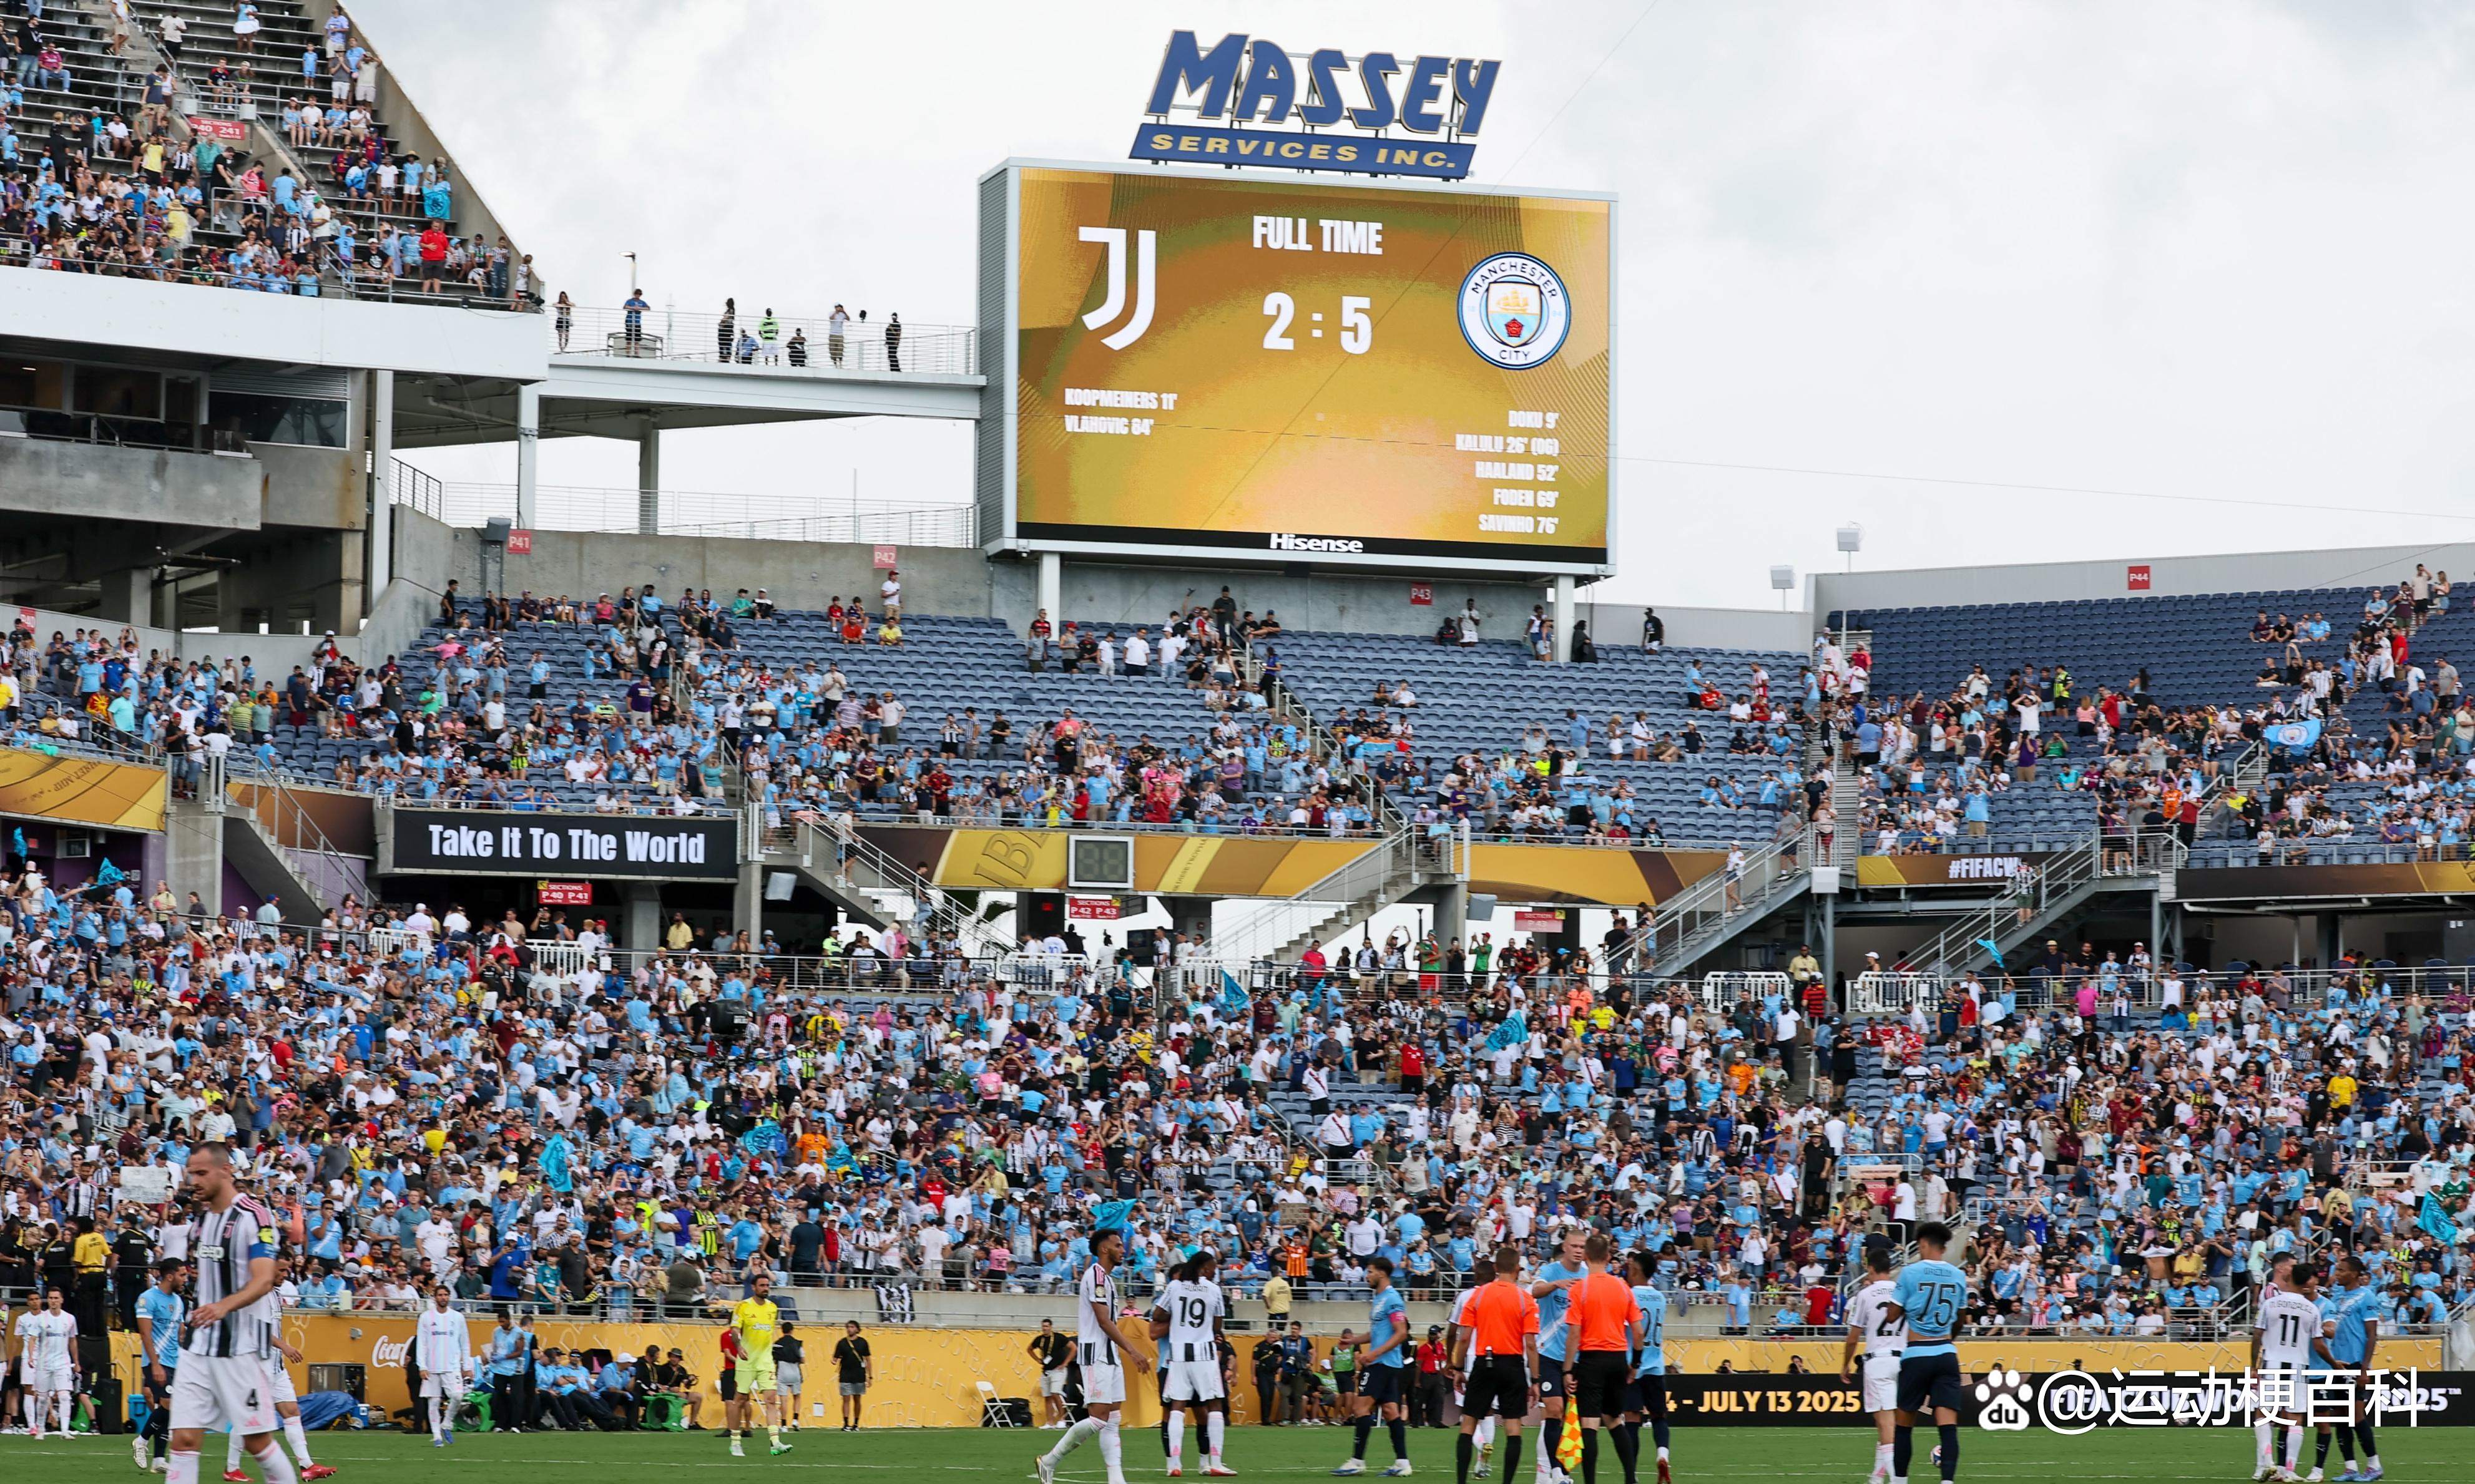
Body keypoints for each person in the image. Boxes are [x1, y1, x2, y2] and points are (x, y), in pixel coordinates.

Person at [167, 1145, 291, 1484]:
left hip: (239, 1349)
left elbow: (265, 1279)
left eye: (202, 1173)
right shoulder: (201, 1221)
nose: (194, 1180)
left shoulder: (255, 1216)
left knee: (257, 1442)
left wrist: (223, 1306)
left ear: (226, 1171)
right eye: (191, 1173)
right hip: (196, 1349)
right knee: (184, 1440)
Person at [1037, 1217, 1152, 1484]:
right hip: (1096, 1355)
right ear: (1104, 1249)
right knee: (1099, 1419)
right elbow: (1103, 1320)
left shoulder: (1108, 1280)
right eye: (1118, 1246)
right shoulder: (1097, 1275)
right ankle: (1049, 1460)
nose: (1124, 1250)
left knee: (1113, 1418)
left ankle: (1116, 1479)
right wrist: (1133, 1351)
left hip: (1109, 1356)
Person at [1886, 1221, 1969, 1484]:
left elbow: (1892, 1316)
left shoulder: (1910, 1273)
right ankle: (1947, 1482)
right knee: (1948, 1427)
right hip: (1945, 1354)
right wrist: (1947, 1340)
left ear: (1923, 1244)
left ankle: (1900, 1481)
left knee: (1904, 1425)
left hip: (1917, 1353)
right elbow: (1961, 1319)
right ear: (1944, 1247)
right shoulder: (1958, 1275)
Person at [1451, 1249, 1536, 1484]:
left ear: (1496, 1268)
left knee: (1468, 1423)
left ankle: (1461, 1481)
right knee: (1513, 1428)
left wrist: (1458, 1368)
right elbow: (1530, 1344)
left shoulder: (1477, 1297)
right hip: (1513, 1363)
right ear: (1517, 1268)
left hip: (1484, 1362)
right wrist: (1536, 1381)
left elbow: (1465, 1337)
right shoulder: (1524, 1299)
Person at [1564, 1234, 1642, 1484]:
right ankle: (1631, 1478)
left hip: (1592, 1359)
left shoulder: (1580, 1288)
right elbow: (1639, 1332)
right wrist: (1635, 1364)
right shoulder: (1623, 1287)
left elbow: (1574, 1334)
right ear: (1608, 1258)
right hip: (1618, 1358)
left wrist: (1567, 1370)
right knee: (1613, 1419)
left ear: (1586, 1257)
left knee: (1589, 1423)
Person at [1149, 1248, 1232, 1478]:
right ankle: (1215, 1461)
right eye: (1213, 1269)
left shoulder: (1175, 1287)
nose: (1215, 1273)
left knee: (1177, 1406)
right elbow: (1217, 1327)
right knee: (1214, 1404)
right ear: (1204, 1268)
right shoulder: (1214, 1290)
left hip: (1178, 1355)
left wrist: (1177, 1320)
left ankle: (1174, 1464)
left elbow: (1157, 1315)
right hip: (1204, 1354)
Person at [1331, 1254, 1412, 1477]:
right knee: (1390, 1411)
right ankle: (1403, 1463)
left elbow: (1401, 1332)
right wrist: (1353, 1341)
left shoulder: (1393, 1299)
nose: (1366, 1276)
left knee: (1360, 1408)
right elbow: (1376, 1333)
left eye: (1369, 1271)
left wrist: (1374, 1354)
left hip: (1382, 1363)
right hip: (1384, 1362)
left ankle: (1357, 1461)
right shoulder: (1379, 1298)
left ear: (1382, 1274)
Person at [1528, 1227, 1590, 1484]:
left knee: (1570, 1416)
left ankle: (1549, 1469)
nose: (1578, 1251)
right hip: (1549, 1353)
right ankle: (1556, 1471)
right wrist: (1557, 1285)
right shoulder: (1551, 1270)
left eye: (1582, 1247)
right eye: (1574, 1246)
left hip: (1576, 1356)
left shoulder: (1588, 1275)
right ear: (1565, 1247)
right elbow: (1534, 1290)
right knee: (1553, 1410)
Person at [2249, 1254, 2315, 1483]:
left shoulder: (2271, 1302)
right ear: (2306, 1282)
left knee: (2263, 1414)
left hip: (2272, 1363)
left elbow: (2257, 1335)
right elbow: (2318, 1341)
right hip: (2298, 1366)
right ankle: (2289, 1469)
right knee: (2296, 1419)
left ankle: (2267, 1463)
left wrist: (2253, 1367)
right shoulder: (2311, 1308)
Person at [1841, 1247, 1903, 1484]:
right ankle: (1876, 1479)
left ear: (1870, 1267)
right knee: (1885, 1424)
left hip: (1878, 1361)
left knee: (1886, 1425)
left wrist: (1845, 1365)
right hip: (1902, 1360)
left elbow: (1853, 1337)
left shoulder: (1865, 1295)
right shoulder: (1901, 1291)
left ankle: (1898, 1480)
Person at [1619, 1251, 1672, 1484]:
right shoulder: (1660, 1298)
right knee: (1659, 1417)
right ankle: (1663, 1455)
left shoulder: (1628, 1296)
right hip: (1657, 1365)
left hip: (1634, 1366)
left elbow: (1627, 1330)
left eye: (1630, 1268)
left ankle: (1632, 1475)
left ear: (1637, 1270)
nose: (1627, 1271)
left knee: (1632, 1419)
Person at [136, 1258, 189, 1471]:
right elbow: (145, 1333)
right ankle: (141, 1441)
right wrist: (156, 1365)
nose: (186, 1279)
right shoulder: (147, 1299)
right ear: (170, 1276)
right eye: (183, 1275)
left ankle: (159, 1460)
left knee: (167, 1409)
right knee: (170, 1406)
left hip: (174, 1362)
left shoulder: (179, 1302)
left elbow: (180, 1334)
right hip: (156, 1362)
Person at [730, 1274, 792, 1455]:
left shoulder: (773, 1308)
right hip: (746, 1360)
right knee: (739, 1401)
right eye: (762, 1285)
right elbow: (734, 1330)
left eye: (768, 1285)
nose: (766, 1288)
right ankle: (735, 1442)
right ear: (754, 1287)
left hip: (765, 1361)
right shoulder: (743, 1307)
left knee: (771, 1400)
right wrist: (738, 1346)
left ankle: (775, 1442)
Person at [14, 1286, 76, 1439]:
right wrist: (30, 1356)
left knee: (64, 1396)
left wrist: (77, 1361)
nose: (53, 1301)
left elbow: (73, 1340)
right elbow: (32, 1338)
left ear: (62, 1300)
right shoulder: (41, 1319)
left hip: (63, 1363)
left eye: (56, 1298)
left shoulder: (69, 1318)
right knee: (42, 1398)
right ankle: (40, 1428)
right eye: (51, 1298)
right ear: (47, 1300)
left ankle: (65, 1431)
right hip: (44, 1363)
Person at [414, 1284, 471, 1448]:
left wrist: (466, 1365)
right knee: (433, 1402)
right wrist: (422, 1366)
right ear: (435, 1297)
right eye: (440, 1295)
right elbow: (422, 1344)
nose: (443, 1298)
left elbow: (465, 1343)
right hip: (432, 1366)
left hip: (452, 1366)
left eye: (446, 1295)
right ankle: (437, 1436)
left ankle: (446, 1423)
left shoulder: (458, 1317)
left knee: (458, 1396)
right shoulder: (426, 1317)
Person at [830, 1319, 873, 1432]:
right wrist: (834, 1361)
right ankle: (846, 1423)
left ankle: (856, 1423)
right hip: (845, 1374)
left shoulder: (863, 1342)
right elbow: (835, 1358)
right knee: (846, 1399)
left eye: (852, 1327)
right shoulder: (842, 1343)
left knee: (857, 1399)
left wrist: (870, 1376)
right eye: (848, 1327)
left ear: (857, 1329)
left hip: (859, 1374)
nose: (850, 1329)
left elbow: (868, 1360)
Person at [1030, 1319, 1073, 1428]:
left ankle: (1062, 1419)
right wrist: (1038, 1360)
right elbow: (1029, 1349)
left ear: (1051, 1327)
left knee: (1055, 1393)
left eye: (1047, 1326)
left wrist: (1065, 1363)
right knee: (1047, 1396)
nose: (1045, 1328)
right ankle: (1050, 1422)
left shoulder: (1059, 1338)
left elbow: (1073, 1348)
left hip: (1058, 1370)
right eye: (1043, 1326)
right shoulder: (1040, 1340)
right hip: (1046, 1371)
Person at [774, 1322, 805, 1433]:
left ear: (782, 1330)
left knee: (784, 1399)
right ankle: (796, 1420)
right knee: (797, 1396)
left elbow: (774, 1359)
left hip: (782, 1371)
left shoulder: (777, 1344)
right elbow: (803, 1359)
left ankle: (784, 1425)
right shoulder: (797, 1343)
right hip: (795, 1371)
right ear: (792, 1330)